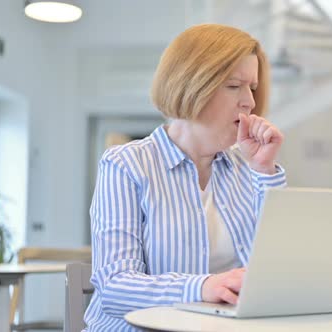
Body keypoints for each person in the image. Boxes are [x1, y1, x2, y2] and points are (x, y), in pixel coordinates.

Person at [83, 24, 287, 331]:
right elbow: (115, 286)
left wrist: (264, 171)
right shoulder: (125, 164)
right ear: (193, 84)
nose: (250, 102)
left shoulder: (249, 169)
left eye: (252, 88)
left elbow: (280, 269)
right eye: (234, 86)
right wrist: (203, 287)